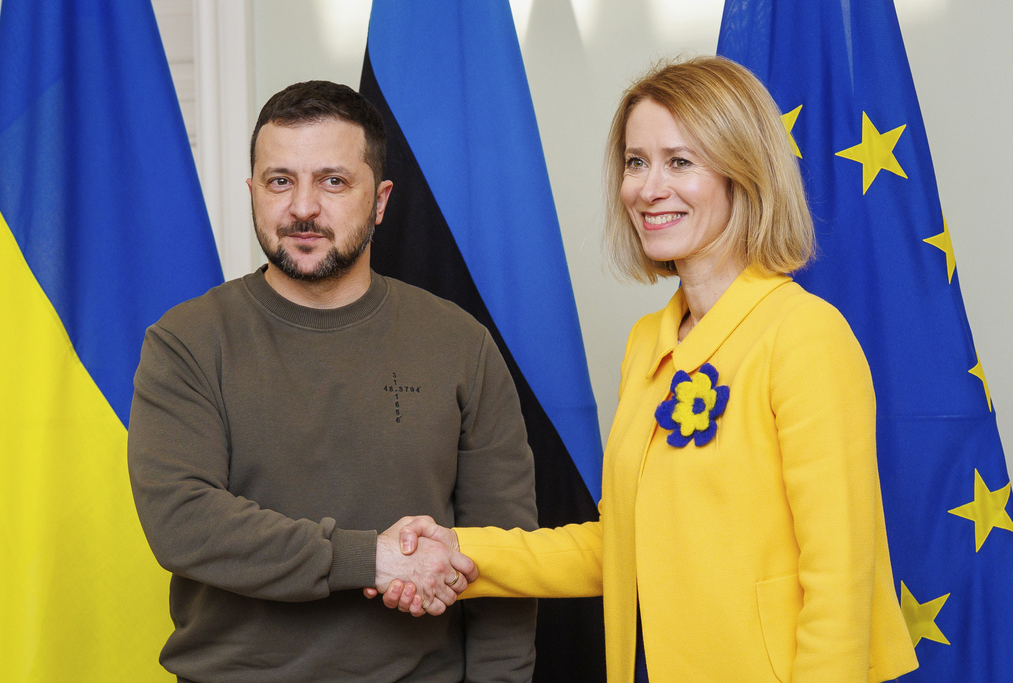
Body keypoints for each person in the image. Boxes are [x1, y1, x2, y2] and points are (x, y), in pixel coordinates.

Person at [375, 56, 920, 682]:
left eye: (679, 162)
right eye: (636, 162)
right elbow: (620, 546)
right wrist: (460, 550)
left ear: (743, 174)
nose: (647, 188)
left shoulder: (805, 336)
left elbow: (841, 579)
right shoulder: (648, 341)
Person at [127, 80, 538, 683]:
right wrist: (372, 560)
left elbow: (504, 557)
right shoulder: (185, 342)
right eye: (280, 181)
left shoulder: (460, 345)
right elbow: (184, 522)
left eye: (333, 181)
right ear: (253, 192)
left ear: (381, 200)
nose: (302, 207)